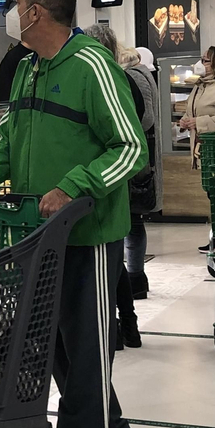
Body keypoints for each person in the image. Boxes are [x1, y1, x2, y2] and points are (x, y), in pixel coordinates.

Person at [0, 0, 147, 428]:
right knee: (54, 344)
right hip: (37, 236)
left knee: (86, 349)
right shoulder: (26, 69)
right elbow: (10, 141)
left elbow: (132, 149)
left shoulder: (91, 66)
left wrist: (74, 185)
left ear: (37, 12)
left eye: (17, 3)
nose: (13, 12)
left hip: (88, 235)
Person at [85, 23, 157, 348]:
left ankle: (117, 327)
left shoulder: (111, 79)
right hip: (117, 178)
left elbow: (132, 132)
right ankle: (127, 324)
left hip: (108, 180)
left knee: (109, 261)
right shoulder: (120, 76)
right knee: (114, 260)